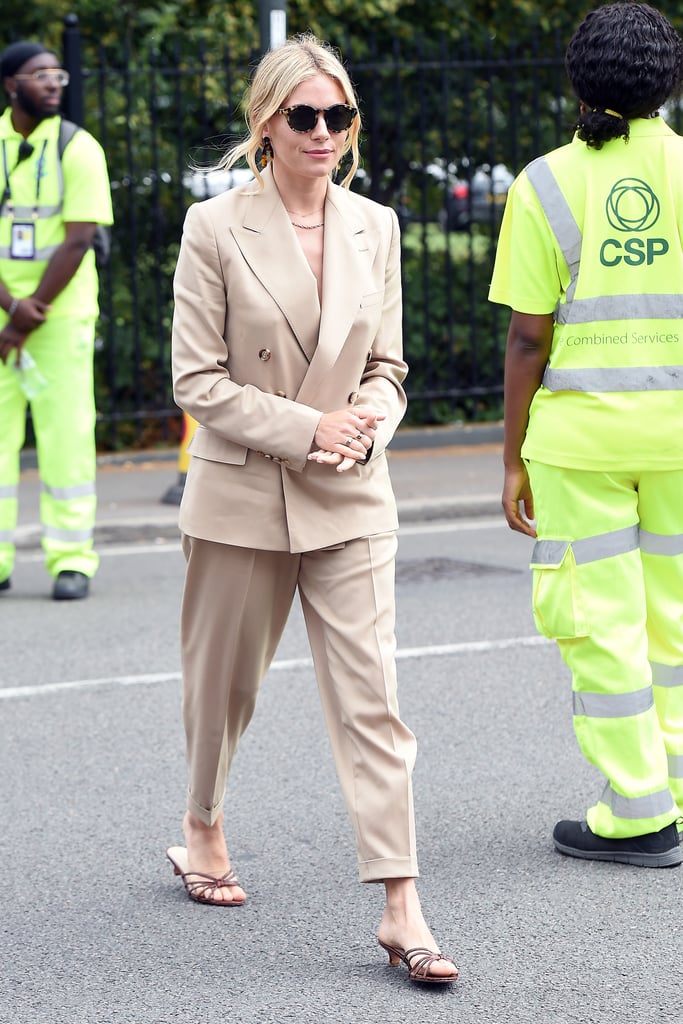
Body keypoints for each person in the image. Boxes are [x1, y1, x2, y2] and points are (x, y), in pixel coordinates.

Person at [166, 33, 458, 984]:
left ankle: (401, 906)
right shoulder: (214, 229)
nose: (325, 131)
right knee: (223, 693)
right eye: (305, 115)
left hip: (349, 495)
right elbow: (196, 380)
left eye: (340, 115)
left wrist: (367, 422)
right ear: (267, 122)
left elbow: (388, 367)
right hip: (242, 493)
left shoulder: (377, 226)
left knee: (373, 706)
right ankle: (201, 824)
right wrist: (309, 426)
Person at [490, 1, 683, 867]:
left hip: (579, 445)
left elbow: (528, 337)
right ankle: (672, 791)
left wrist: (509, 460)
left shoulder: (542, 183)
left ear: (576, 82)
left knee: (601, 625)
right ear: (670, 84)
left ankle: (638, 812)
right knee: (673, 624)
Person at [0, 41, 113, 600]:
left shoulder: (79, 148)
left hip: (58, 319)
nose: (53, 83)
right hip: (6, 318)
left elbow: (79, 239)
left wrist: (24, 318)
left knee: (66, 440)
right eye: (39, 75)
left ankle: (72, 560)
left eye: (57, 74)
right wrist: (9, 307)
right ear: (10, 85)